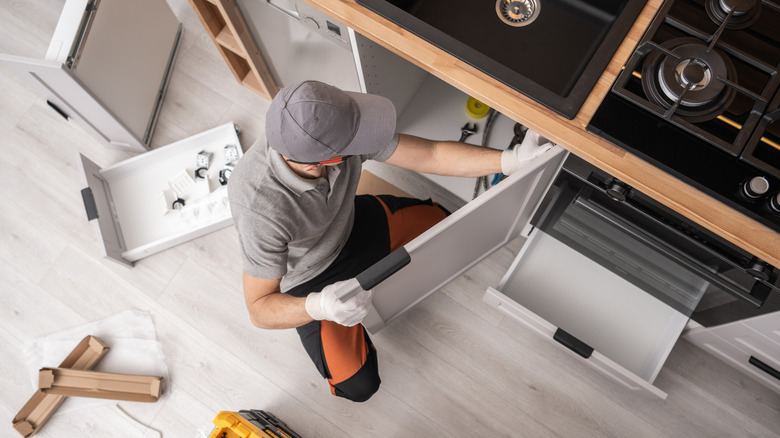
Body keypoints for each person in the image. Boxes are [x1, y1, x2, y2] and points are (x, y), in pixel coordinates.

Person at [227, 80, 553, 402]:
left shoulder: (323, 121)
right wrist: (321, 306)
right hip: (312, 280)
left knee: (441, 224)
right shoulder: (259, 207)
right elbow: (259, 309)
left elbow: (432, 155)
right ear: (322, 161)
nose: (360, 140)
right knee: (358, 385)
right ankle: (346, 320)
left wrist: (512, 160)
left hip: (354, 225)